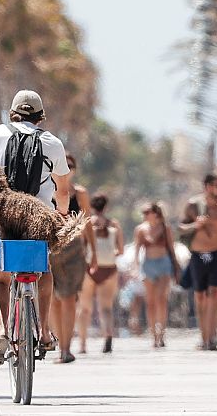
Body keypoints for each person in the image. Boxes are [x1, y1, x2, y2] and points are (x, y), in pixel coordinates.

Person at [0, 90, 71, 369]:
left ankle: (1, 331)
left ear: (12, 114)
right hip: (37, 220)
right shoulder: (53, 143)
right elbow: (63, 190)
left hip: (0, 218)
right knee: (43, 270)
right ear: (40, 116)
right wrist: (59, 214)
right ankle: (44, 332)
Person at [178, 174, 217, 351]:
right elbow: (180, 228)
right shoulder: (193, 205)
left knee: (213, 294)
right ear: (207, 187)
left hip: (216, 255)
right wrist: (195, 225)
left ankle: (211, 337)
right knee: (200, 297)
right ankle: (203, 337)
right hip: (197, 256)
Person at [48, 154, 97, 364]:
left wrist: (93, 251)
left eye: (69, 166)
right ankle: (59, 344)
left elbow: (87, 222)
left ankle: (66, 349)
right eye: (62, 166)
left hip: (74, 249)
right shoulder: (46, 191)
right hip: (50, 248)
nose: (66, 169)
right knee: (52, 300)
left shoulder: (80, 193)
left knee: (69, 299)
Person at [78, 194, 124, 354]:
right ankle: (108, 335)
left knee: (85, 309)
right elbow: (121, 250)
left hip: (90, 268)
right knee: (106, 308)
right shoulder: (114, 224)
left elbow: (82, 247)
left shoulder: (87, 223)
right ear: (106, 207)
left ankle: (82, 345)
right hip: (109, 268)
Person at [133, 202, 179, 348]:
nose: (145, 216)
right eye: (144, 213)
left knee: (162, 299)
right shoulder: (140, 230)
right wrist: (135, 267)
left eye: (147, 213)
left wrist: (176, 267)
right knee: (150, 302)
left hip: (164, 263)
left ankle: (162, 333)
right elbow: (137, 249)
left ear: (155, 213)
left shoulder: (165, 228)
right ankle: (153, 335)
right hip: (148, 265)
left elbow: (171, 248)